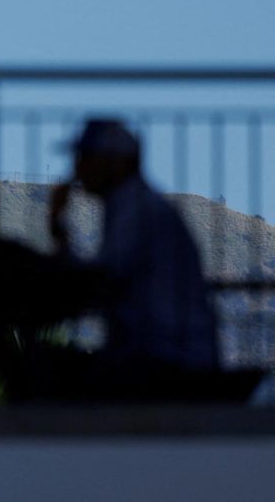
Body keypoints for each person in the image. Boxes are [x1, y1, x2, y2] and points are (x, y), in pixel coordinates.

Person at [49, 119, 218, 372]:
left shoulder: (138, 212)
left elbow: (98, 282)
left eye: (87, 158)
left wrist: (59, 229)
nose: (78, 168)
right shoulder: (128, 208)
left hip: (169, 357)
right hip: (164, 352)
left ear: (118, 163)